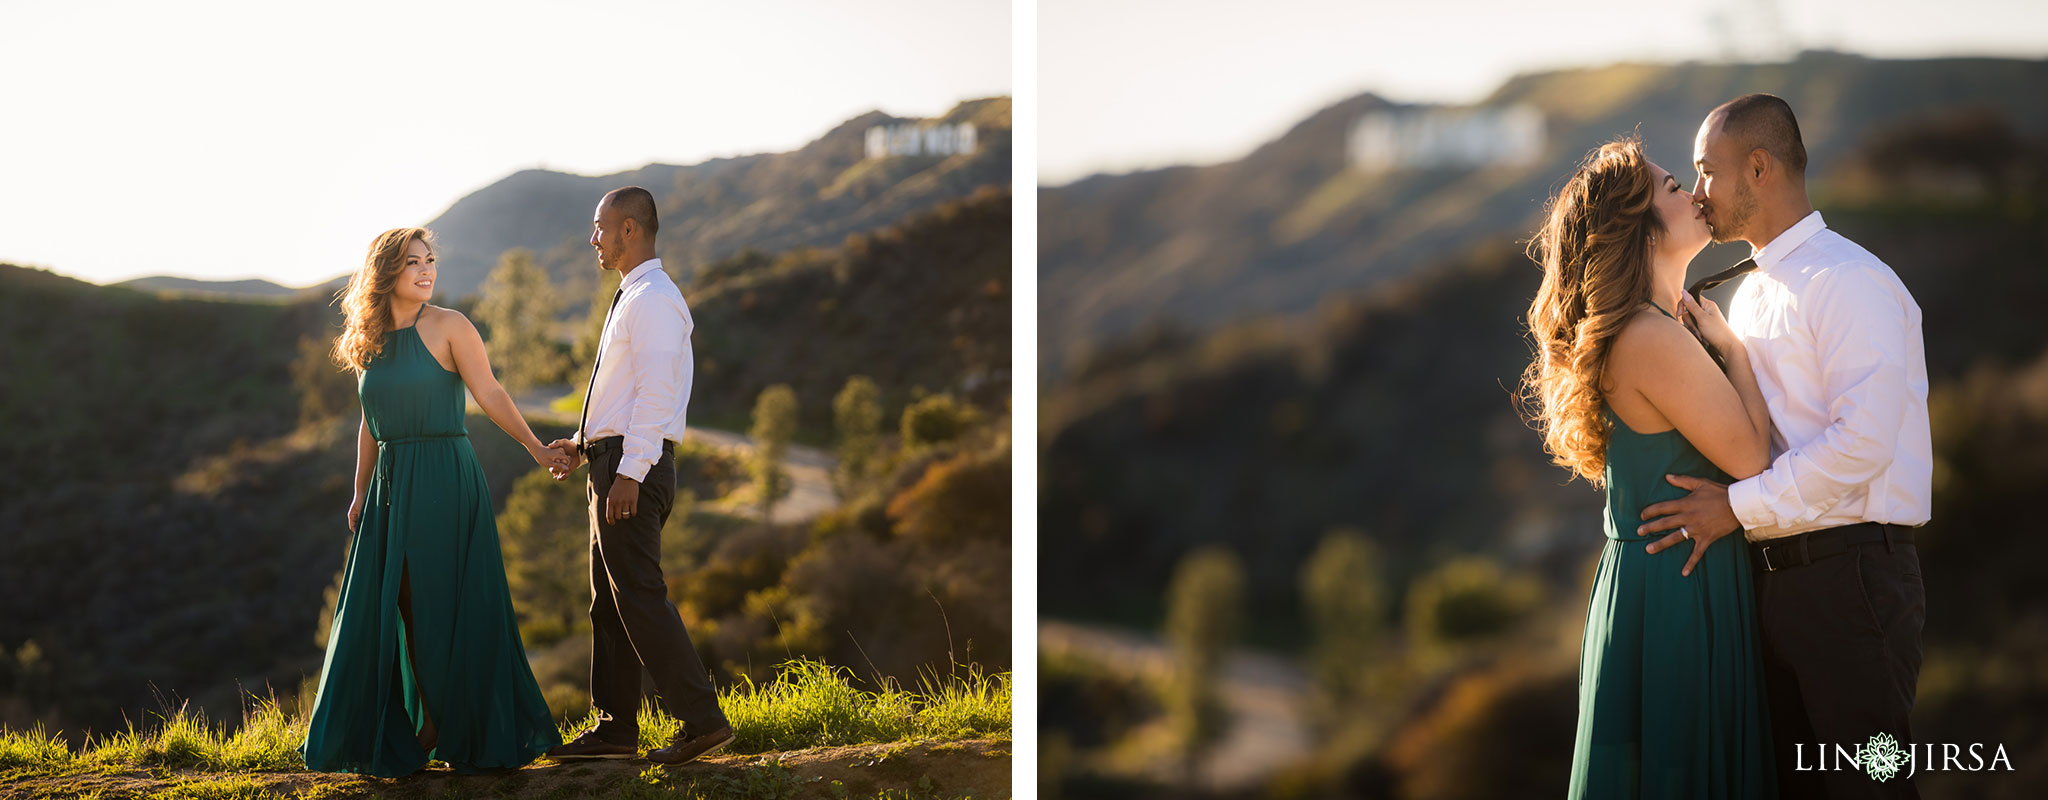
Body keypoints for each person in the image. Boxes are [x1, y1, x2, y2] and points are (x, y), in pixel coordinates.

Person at [1637, 94, 1930, 799]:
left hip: (1853, 578)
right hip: (1774, 585)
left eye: (1708, 172)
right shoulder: (1749, 296)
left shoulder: (1848, 281)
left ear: (1759, 168)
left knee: (1871, 788)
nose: (1698, 190)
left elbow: (1863, 446)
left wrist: (1736, 508)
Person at [1523, 134, 1778, 798]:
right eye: (1673, 188)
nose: (1694, 193)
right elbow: (1751, 457)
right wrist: (1739, 354)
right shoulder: (1648, 336)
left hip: (1670, 573)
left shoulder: (1660, 326)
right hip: (1679, 588)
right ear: (1636, 229)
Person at [300, 227, 566, 777]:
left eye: (430, 261)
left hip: (445, 475)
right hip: (390, 487)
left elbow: (489, 392)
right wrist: (358, 491)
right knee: (398, 607)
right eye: (412, 263)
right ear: (386, 273)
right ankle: (427, 722)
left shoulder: (450, 325)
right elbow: (369, 424)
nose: (426, 271)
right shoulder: (367, 337)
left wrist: (537, 448)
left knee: (443, 603)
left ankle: (453, 727)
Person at [542, 187, 734, 765]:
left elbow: (656, 394)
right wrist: (583, 446)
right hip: (612, 461)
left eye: (599, 227)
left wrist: (629, 471)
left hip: (633, 469)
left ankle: (701, 720)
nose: (592, 238)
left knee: (640, 596)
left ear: (629, 229)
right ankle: (616, 728)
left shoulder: (653, 298)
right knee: (611, 602)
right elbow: (623, 393)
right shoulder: (635, 295)